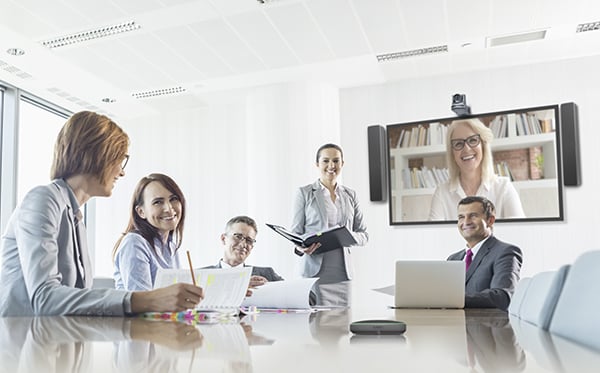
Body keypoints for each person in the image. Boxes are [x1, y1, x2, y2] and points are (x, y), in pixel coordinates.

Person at [0, 111, 203, 317]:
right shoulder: (43, 199)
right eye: (119, 160)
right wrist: (145, 299)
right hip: (23, 343)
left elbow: (76, 301)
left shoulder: (75, 217)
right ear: (95, 155)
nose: (121, 172)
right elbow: (45, 298)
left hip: (59, 343)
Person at [291, 143, 368, 306]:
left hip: (342, 273)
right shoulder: (304, 193)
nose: (331, 166)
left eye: (336, 161)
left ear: (342, 164)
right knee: (317, 326)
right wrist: (301, 246)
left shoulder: (350, 195)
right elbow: (296, 233)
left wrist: (348, 237)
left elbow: (364, 234)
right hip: (315, 272)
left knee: (342, 325)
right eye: (326, 161)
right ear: (317, 164)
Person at [429, 118, 525, 220]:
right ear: (452, 153)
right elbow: (433, 234)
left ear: (483, 146)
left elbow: (519, 232)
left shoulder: (504, 188)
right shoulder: (442, 193)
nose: (466, 149)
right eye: (458, 143)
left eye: (473, 140)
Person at [447, 196, 523, 311]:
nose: (466, 222)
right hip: (452, 324)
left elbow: (502, 296)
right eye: (461, 217)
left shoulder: (505, 252)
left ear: (490, 220)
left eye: (473, 216)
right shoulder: (453, 259)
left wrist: (454, 300)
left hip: (486, 326)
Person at [113, 173, 186, 291]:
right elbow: (141, 301)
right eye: (158, 202)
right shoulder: (134, 243)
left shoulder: (170, 246)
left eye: (173, 199)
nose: (169, 209)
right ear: (141, 212)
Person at [204, 216, 283, 287]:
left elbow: (291, 293)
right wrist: (240, 285)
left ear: (252, 246)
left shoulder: (268, 275)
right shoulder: (200, 276)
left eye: (249, 240)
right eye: (238, 236)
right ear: (223, 239)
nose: (243, 244)